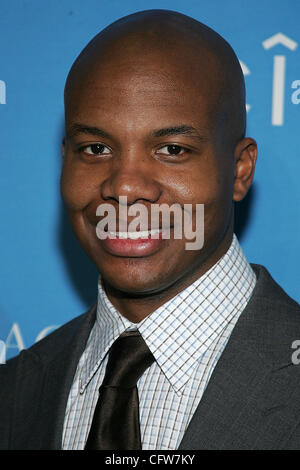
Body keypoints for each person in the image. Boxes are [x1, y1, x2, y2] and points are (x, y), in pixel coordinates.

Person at [0, 9, 299, 451]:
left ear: (239, 170)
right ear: (64, 159)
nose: (124, 186)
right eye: (96, 148)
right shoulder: (15, 391)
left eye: (172, 149)